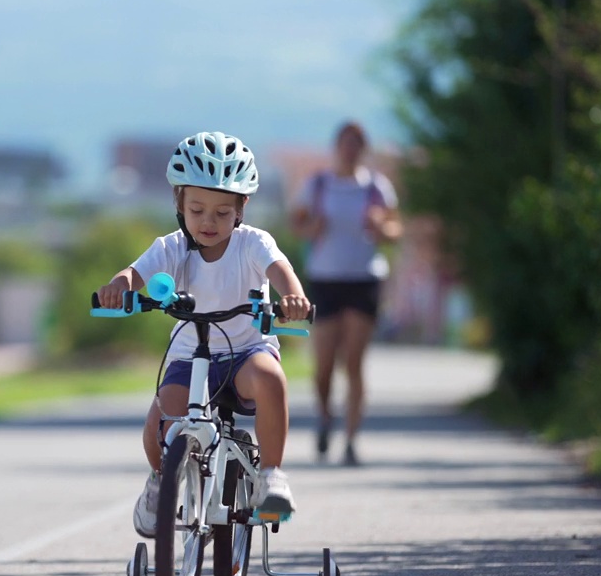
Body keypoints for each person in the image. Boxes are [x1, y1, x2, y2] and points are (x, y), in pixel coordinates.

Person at [96, 131, 313, 538]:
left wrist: (294, 297)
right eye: (196, 210)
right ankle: (161, 481)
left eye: (221, 212)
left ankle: (271, 478)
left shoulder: (253, 244)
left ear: (241, 209)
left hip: (247, 350)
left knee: (271, 380)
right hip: (190, 356)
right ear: (179, 204)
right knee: (163, 417)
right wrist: (118, 286)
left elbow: (279, 270)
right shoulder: (173, 247)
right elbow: (134, 273)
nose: (208, 222)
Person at [289, 121, 402, 466]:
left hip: (363, 279)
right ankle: (325, 417)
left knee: (353, 362)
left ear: (362, 149)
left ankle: (351, 440)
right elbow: (296, 224)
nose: (350, 150)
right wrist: (313, 228)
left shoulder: (376, 187)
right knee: (323, 366)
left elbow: (396, 230)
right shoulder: (318, 185)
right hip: (326, 280)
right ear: (336, 147)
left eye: (357, 144)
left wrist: (382, 227)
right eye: (345, 143)